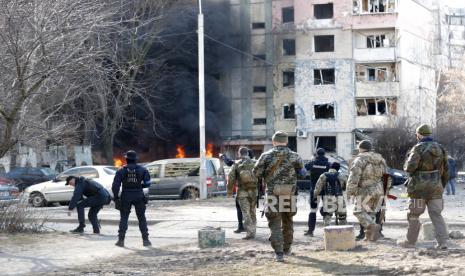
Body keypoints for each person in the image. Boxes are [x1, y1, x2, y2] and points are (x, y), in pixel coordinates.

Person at [253, 130, 304, 262]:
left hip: (272, 194)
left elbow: (256, 173)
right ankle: (287, 248)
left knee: (274, 223)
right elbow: (303, 173)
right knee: (288, 221)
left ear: (273, 142)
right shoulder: (295, 156)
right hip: (289, 193)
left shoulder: (266, 156)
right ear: (286, 142)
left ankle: (279, 253)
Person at [398, 124, 449, 249]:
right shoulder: (441, 148)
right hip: (436, 188)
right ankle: (443, 243)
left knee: (414, 215)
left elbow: (409, 168)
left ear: (419, 134)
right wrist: (441, 185)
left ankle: (410, 242)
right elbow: (446, 170)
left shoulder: (417, 148)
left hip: (418, 189)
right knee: (436, 214)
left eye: (417, 134)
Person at [347, 140, 387, 242]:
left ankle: (372, 226)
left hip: (365, 190)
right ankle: (370, 236)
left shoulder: (359, 160)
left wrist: (350, 192)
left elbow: (354, 177)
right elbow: (386, 176)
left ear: (360, 148)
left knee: (358, 211)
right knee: (371, 213)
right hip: (379, 189)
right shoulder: (381, 160)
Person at [112, 150, 151, 247]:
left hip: (126, 196)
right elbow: (148, 184)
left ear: (126, 159)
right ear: (136, 159)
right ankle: (145, 240)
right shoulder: (143, 170)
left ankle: (121, 241)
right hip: (139, 195)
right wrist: (139, 187)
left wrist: (116, 197)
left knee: (124, 218)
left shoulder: (121, 171)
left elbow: (115, 186)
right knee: (141, 218)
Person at [227, 147, 258, 240]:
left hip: (242, 192)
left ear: (239, 154)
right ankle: (253, 230)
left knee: (246, 213)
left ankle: (250, 233)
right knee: (253, 212)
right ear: (247, 153)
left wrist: (229, 192)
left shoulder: (237, 164)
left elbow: (231, 178)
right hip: (254, 192)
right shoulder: (255, 163)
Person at [304, 148, 330, 237]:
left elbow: (304, 169)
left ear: (317, 154)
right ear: (324, 154)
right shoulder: (328, 164)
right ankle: (327, 231)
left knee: (313, 210)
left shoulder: (312, 163)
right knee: (326, 210)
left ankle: (310, 231)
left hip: (314, 191)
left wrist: (312, 159)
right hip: (325, 190)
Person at [313, 162, 347, 226]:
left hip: (328, 199)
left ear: (330, 167)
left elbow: (317, 189)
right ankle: (343, 233)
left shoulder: (323, 175)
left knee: (327, 218)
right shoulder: (342, 176)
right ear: (338, 169)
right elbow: (346, 187)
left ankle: (328, 234)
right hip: (340, 198)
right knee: (342, 218)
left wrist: (315, 197)